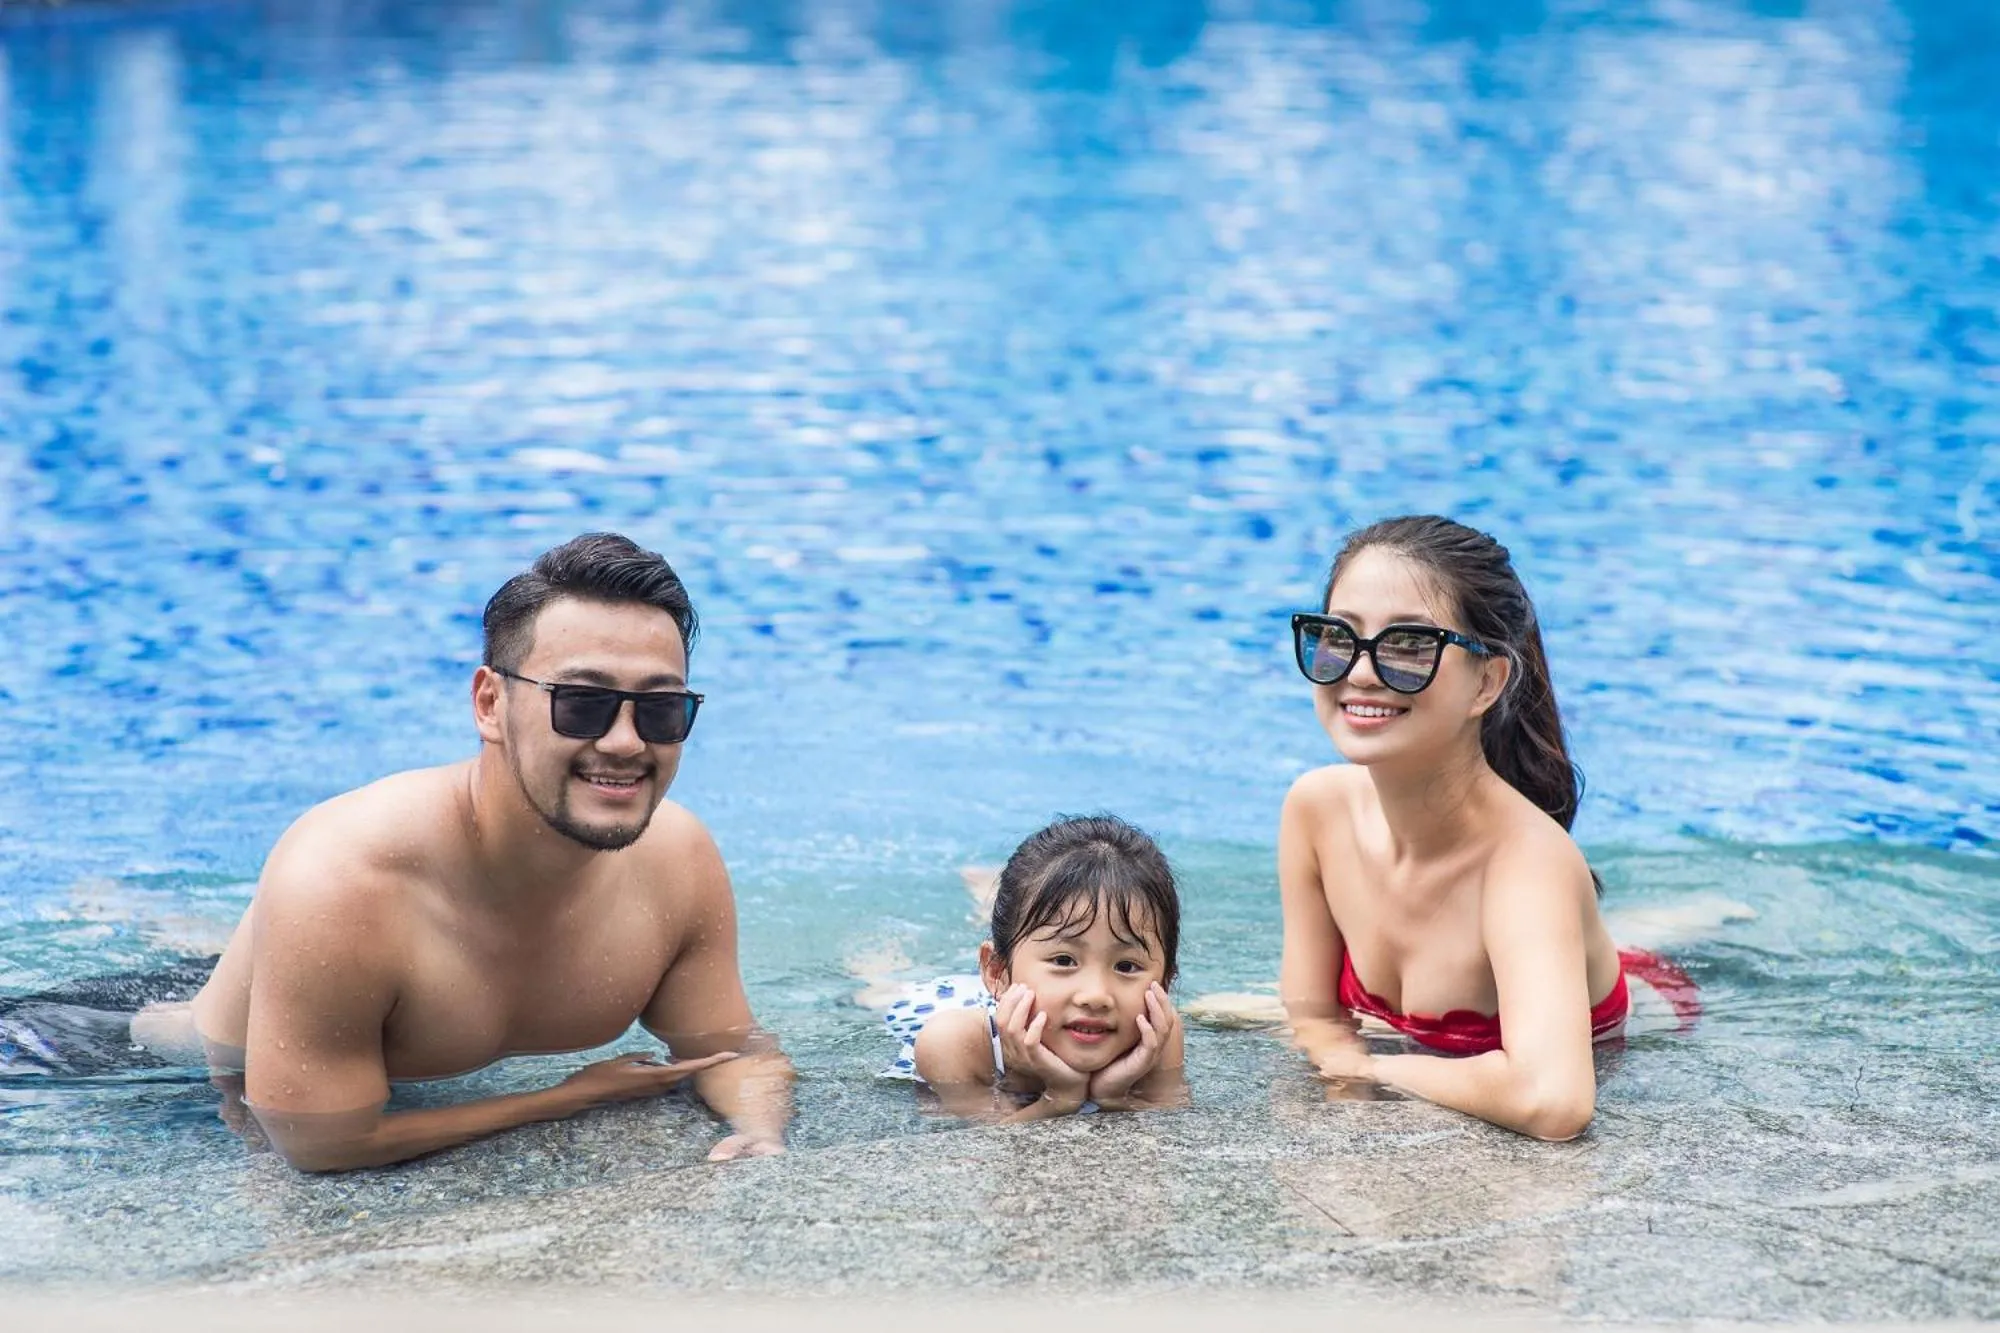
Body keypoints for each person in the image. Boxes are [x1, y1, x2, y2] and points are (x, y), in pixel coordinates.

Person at [132, 532, 793, 1170]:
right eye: (583, 703)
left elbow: (735, 1052)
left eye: (660, 709)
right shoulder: (346, 876)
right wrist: (565, 1099)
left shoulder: (676, 859)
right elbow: (317, 1140)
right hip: (155, 1054)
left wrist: (758, 1130)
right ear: (489, 703)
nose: (624, 741)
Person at [1277, 515, 1696, 1140]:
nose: (1361, 672)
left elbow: (1554, 1101)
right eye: (1340, 636)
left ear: (1487, 681)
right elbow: (1310, 1011)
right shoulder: (1317, 810)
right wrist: (1335, 1054)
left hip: (1646, 1007)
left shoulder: (1527, 865)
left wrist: (1368, 1065)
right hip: (1535, 957)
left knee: (1662, 951)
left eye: (1410, 645)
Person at [873, 815, 1186, 1122]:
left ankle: (987, 898)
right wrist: (1059, 1099)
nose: (1096, 996)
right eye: (1064, 960)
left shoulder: (1159, 1034)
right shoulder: (952, 1045)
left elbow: (1165, 1130)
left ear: (1165, 981)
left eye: (1127, 966)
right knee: (876, 986)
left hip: (1027, 989)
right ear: (997, 971)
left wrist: (1113, 1098)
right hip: (938, 1004)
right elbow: (983, 1148)